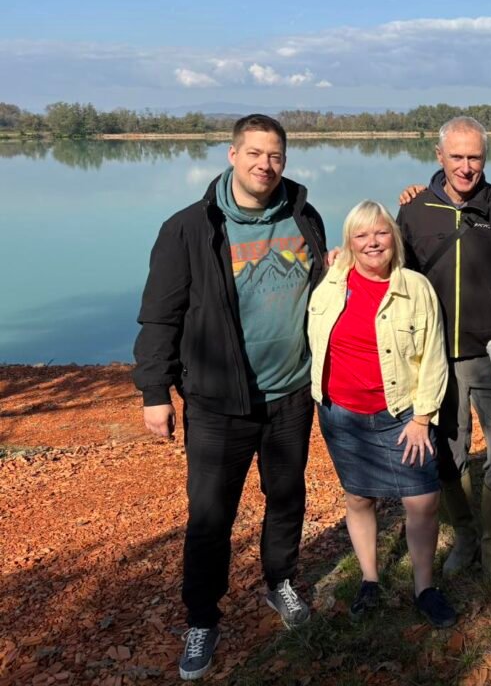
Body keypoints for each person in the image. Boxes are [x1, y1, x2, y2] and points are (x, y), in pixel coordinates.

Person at [133, 114, 326, 681]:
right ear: (232, 154)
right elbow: (159, 315)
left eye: (276, 156)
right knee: (211, 516)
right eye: (255, 154)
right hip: (219, 401)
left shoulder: (303, 214)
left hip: (291, 392)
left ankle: (280, 583)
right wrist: (154, 389)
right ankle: (202, 617)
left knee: (287, 497)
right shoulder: (190, 228)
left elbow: (322, 289)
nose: (266, 166)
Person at [397, 116, 491, 595]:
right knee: (446, 457)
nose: (465, 166)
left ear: (485, 157)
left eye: (474, 156)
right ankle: (466, 536)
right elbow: (398, 284)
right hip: (437, 363)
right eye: (456, 156)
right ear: (439, 157)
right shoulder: (415, 212)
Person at [309, 200, 456, 627]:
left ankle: (424, 588)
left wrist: (422, 417)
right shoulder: (332, 282)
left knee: (423, 500)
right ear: (348, 243)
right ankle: (370, 579)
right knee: (358, 497)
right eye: (361, 236)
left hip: (400, 412)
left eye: (381, 233)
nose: (373, 243)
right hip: (341, 413)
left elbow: (433, 356)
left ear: (394, 237)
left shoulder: (415, 287)